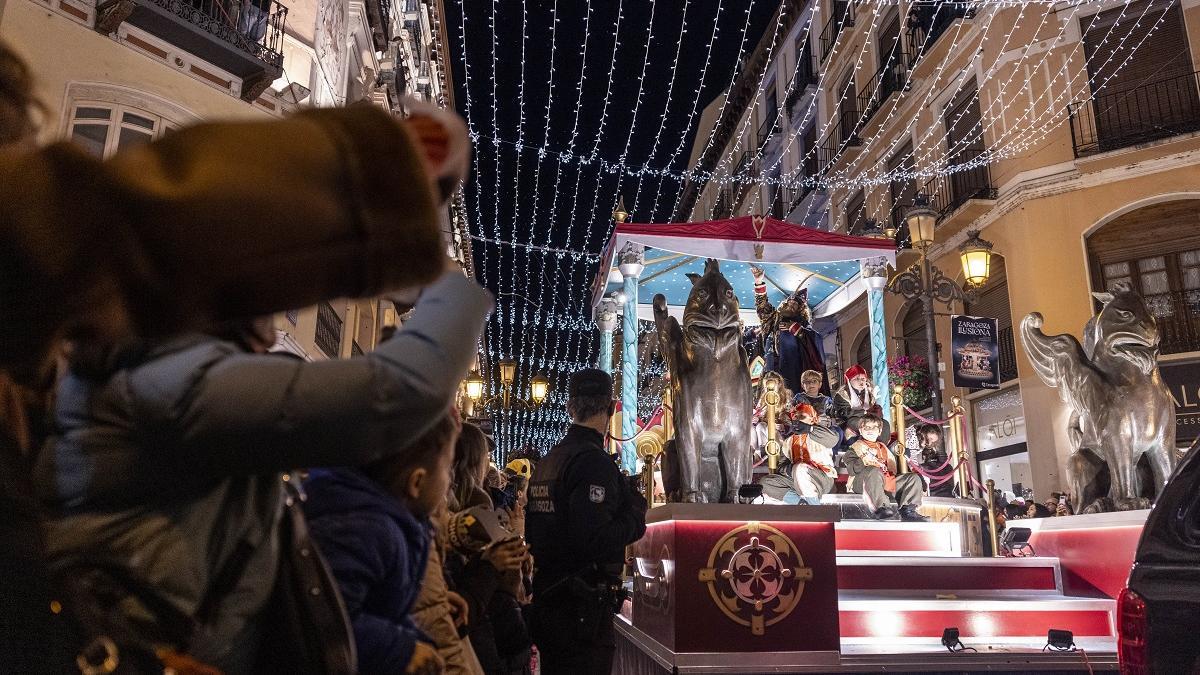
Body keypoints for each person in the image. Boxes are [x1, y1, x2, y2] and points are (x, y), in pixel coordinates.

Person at [33, 265, 492, 673]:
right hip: (145, 649)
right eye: (266, 309)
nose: (273, 335)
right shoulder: (173, 381)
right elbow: (395, 395)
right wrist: (446, 284)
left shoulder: (159, 373)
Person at [303, 412, 461, 674]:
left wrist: (415, 640)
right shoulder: (366, 529)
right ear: (416, 482)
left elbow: (382, 610)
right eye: (447, 469)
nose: (450, 480)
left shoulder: (390, 523)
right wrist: (399, 649)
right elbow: (327, 619)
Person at [526, 369, 648, 674]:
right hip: (581, 612)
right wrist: (635, 515)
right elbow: (594, 539)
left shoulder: (549, 461)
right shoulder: (592, 462)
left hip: (551, 603)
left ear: (570, 407)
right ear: (612, 408)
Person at [750, 265, 830, 396]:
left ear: (800, 310)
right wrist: (759, 282)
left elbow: (815, 341)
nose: (791, 305)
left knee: (790, 397)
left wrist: (795, 329)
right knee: (769, 399)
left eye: (795, 305)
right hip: (770, 369)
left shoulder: (802, 324)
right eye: (789, 302)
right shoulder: (774, 318)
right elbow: (762, 307)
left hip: (793, 371)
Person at [844, 414, 928, 521]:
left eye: (874, 427)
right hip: (864, 482)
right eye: (867, 427)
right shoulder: (854, 448)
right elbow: (852, 470)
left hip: (885, 481)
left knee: (912, 478)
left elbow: (895, 469)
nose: (870, 430)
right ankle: (881, 508)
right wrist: (863, 460)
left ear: (879, 431)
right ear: (861, 431)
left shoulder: (884, 448)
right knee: (874, 471)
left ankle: (908, 510)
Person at [786, 404, 840, 503]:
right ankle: (801, 504)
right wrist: (787, 469)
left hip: (822, 477)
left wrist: (809, 429)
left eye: (801, 416)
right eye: (795, 416)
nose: (797, 419)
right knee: (767, 482)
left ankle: (814, 508)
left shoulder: (820, 433)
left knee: (801, 468)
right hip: (797, 478)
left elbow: (833, 440)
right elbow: (782, 465)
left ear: (812, 419)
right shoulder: (788, 441)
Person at [832, 364, 890, 444]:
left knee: (884, 424)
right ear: (849, 380)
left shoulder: (868, 393)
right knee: (866, 423)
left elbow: (873, 409)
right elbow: (845, 414)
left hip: (869, 418)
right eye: (857, 379)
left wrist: (877, 410)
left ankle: (880, 446)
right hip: (849, 422)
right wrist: (865, 412)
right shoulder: (842, 394)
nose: (861, 382)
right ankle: (865, 446)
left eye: (863, 379)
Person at [912, 423, 955, 498]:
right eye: (930, 439)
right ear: (925, 432)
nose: (929, 443)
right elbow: (912, 463)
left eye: (932, 441)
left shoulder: (919, 446)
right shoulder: (912, 438)